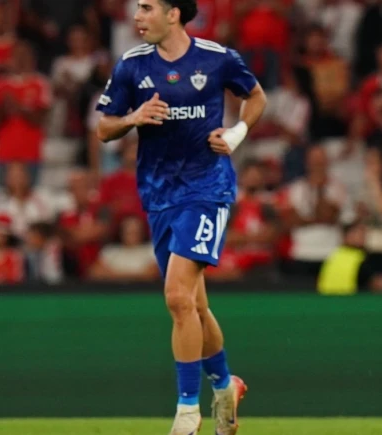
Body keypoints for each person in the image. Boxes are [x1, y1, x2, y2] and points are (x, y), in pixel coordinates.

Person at [94, 1, 266, 434]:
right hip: (159, 195)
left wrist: (237, 133)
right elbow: (104, 127)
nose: (137, 16)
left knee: (176, 297)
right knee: (194, 305)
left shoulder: (217, 58)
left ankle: (187, 412)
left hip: (207, 189)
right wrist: (133, 117)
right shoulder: (132, 65)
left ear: (174, 13)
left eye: (146, 7)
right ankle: (225, 386)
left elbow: (256, 96)